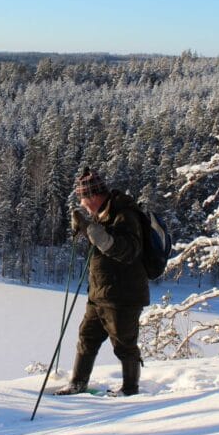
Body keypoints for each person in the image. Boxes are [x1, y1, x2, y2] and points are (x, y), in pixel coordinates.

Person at [55, 167, 149, 397]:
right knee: (87, 337)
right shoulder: (105, 213)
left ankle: (130, 390)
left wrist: (90, 230)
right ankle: (77, 383)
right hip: (100, 293)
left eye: (85, 200)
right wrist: (87, 228)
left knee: (124, 344)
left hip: (123, 295)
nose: (84, 206)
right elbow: (102, 242)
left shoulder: (125, 214)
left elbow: (127, 251)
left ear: (95, 196)